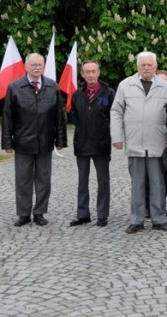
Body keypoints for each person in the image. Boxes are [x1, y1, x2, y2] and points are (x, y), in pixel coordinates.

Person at [111, 51, 167, 233]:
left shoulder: (165, 87)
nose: (146, 68)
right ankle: (137, 219)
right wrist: (117, 137)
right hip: (135, 141)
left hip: (158, 141)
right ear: (137, 67)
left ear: (155, 66)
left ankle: (159, 218)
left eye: (150, 65)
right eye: (143, 65)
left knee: (158, 183)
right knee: (137, 183)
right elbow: (116, 111)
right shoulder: (125, 85)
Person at [2, 53, 67, 226]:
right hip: (23, 142)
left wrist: (61, 140)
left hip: (45, 141)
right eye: (34, 65)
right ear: (26, 67)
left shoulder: (52, 86)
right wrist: (7, 142)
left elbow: (59, 115)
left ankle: (39, 212)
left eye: (40, 64)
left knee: (44, 180)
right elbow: (8, 116)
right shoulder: (15, 87)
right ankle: (23, 213)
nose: (37, 68)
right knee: (23, 180)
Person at [69, 60, 115, 228]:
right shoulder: (77, 94)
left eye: (93, 71)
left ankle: (102, 215)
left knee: (103, 181)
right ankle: (83, 214)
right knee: (82, 181)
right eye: (87, 72)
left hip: (101, 144)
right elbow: (74, 116)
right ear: (82, 74)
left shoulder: (109, 93)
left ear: (99, 72)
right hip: (81, 143)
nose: (90, 75)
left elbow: (113, 117)